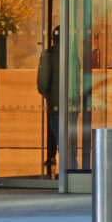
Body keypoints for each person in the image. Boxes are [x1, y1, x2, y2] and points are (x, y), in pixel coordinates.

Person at [36, 26, 61, 177]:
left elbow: (43, 81)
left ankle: (63, 169)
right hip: (71, 102)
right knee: (67, 135)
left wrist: (45, 92)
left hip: (54, 101)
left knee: (57, 132)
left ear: (52, 39)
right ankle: (70, 166)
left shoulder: (48, 54)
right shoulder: (73, 54)